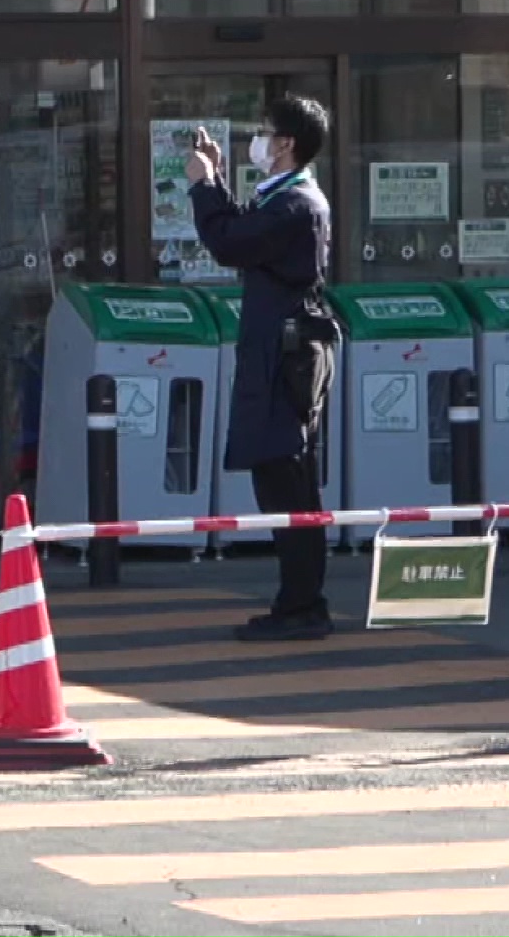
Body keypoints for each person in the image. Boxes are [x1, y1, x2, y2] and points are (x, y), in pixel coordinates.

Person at [186, 95, 339, 641]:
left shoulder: (297, 205)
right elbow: (239, 235)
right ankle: (296, 601)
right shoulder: (282, 200)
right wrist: (218, 184)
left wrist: (204, 187)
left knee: (287, 483)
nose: (258, 137)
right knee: (278, 481)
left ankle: (303, 605)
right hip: (279, 353)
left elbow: (230, 243)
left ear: (285, 144)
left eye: (265, 131)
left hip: (288, 359)